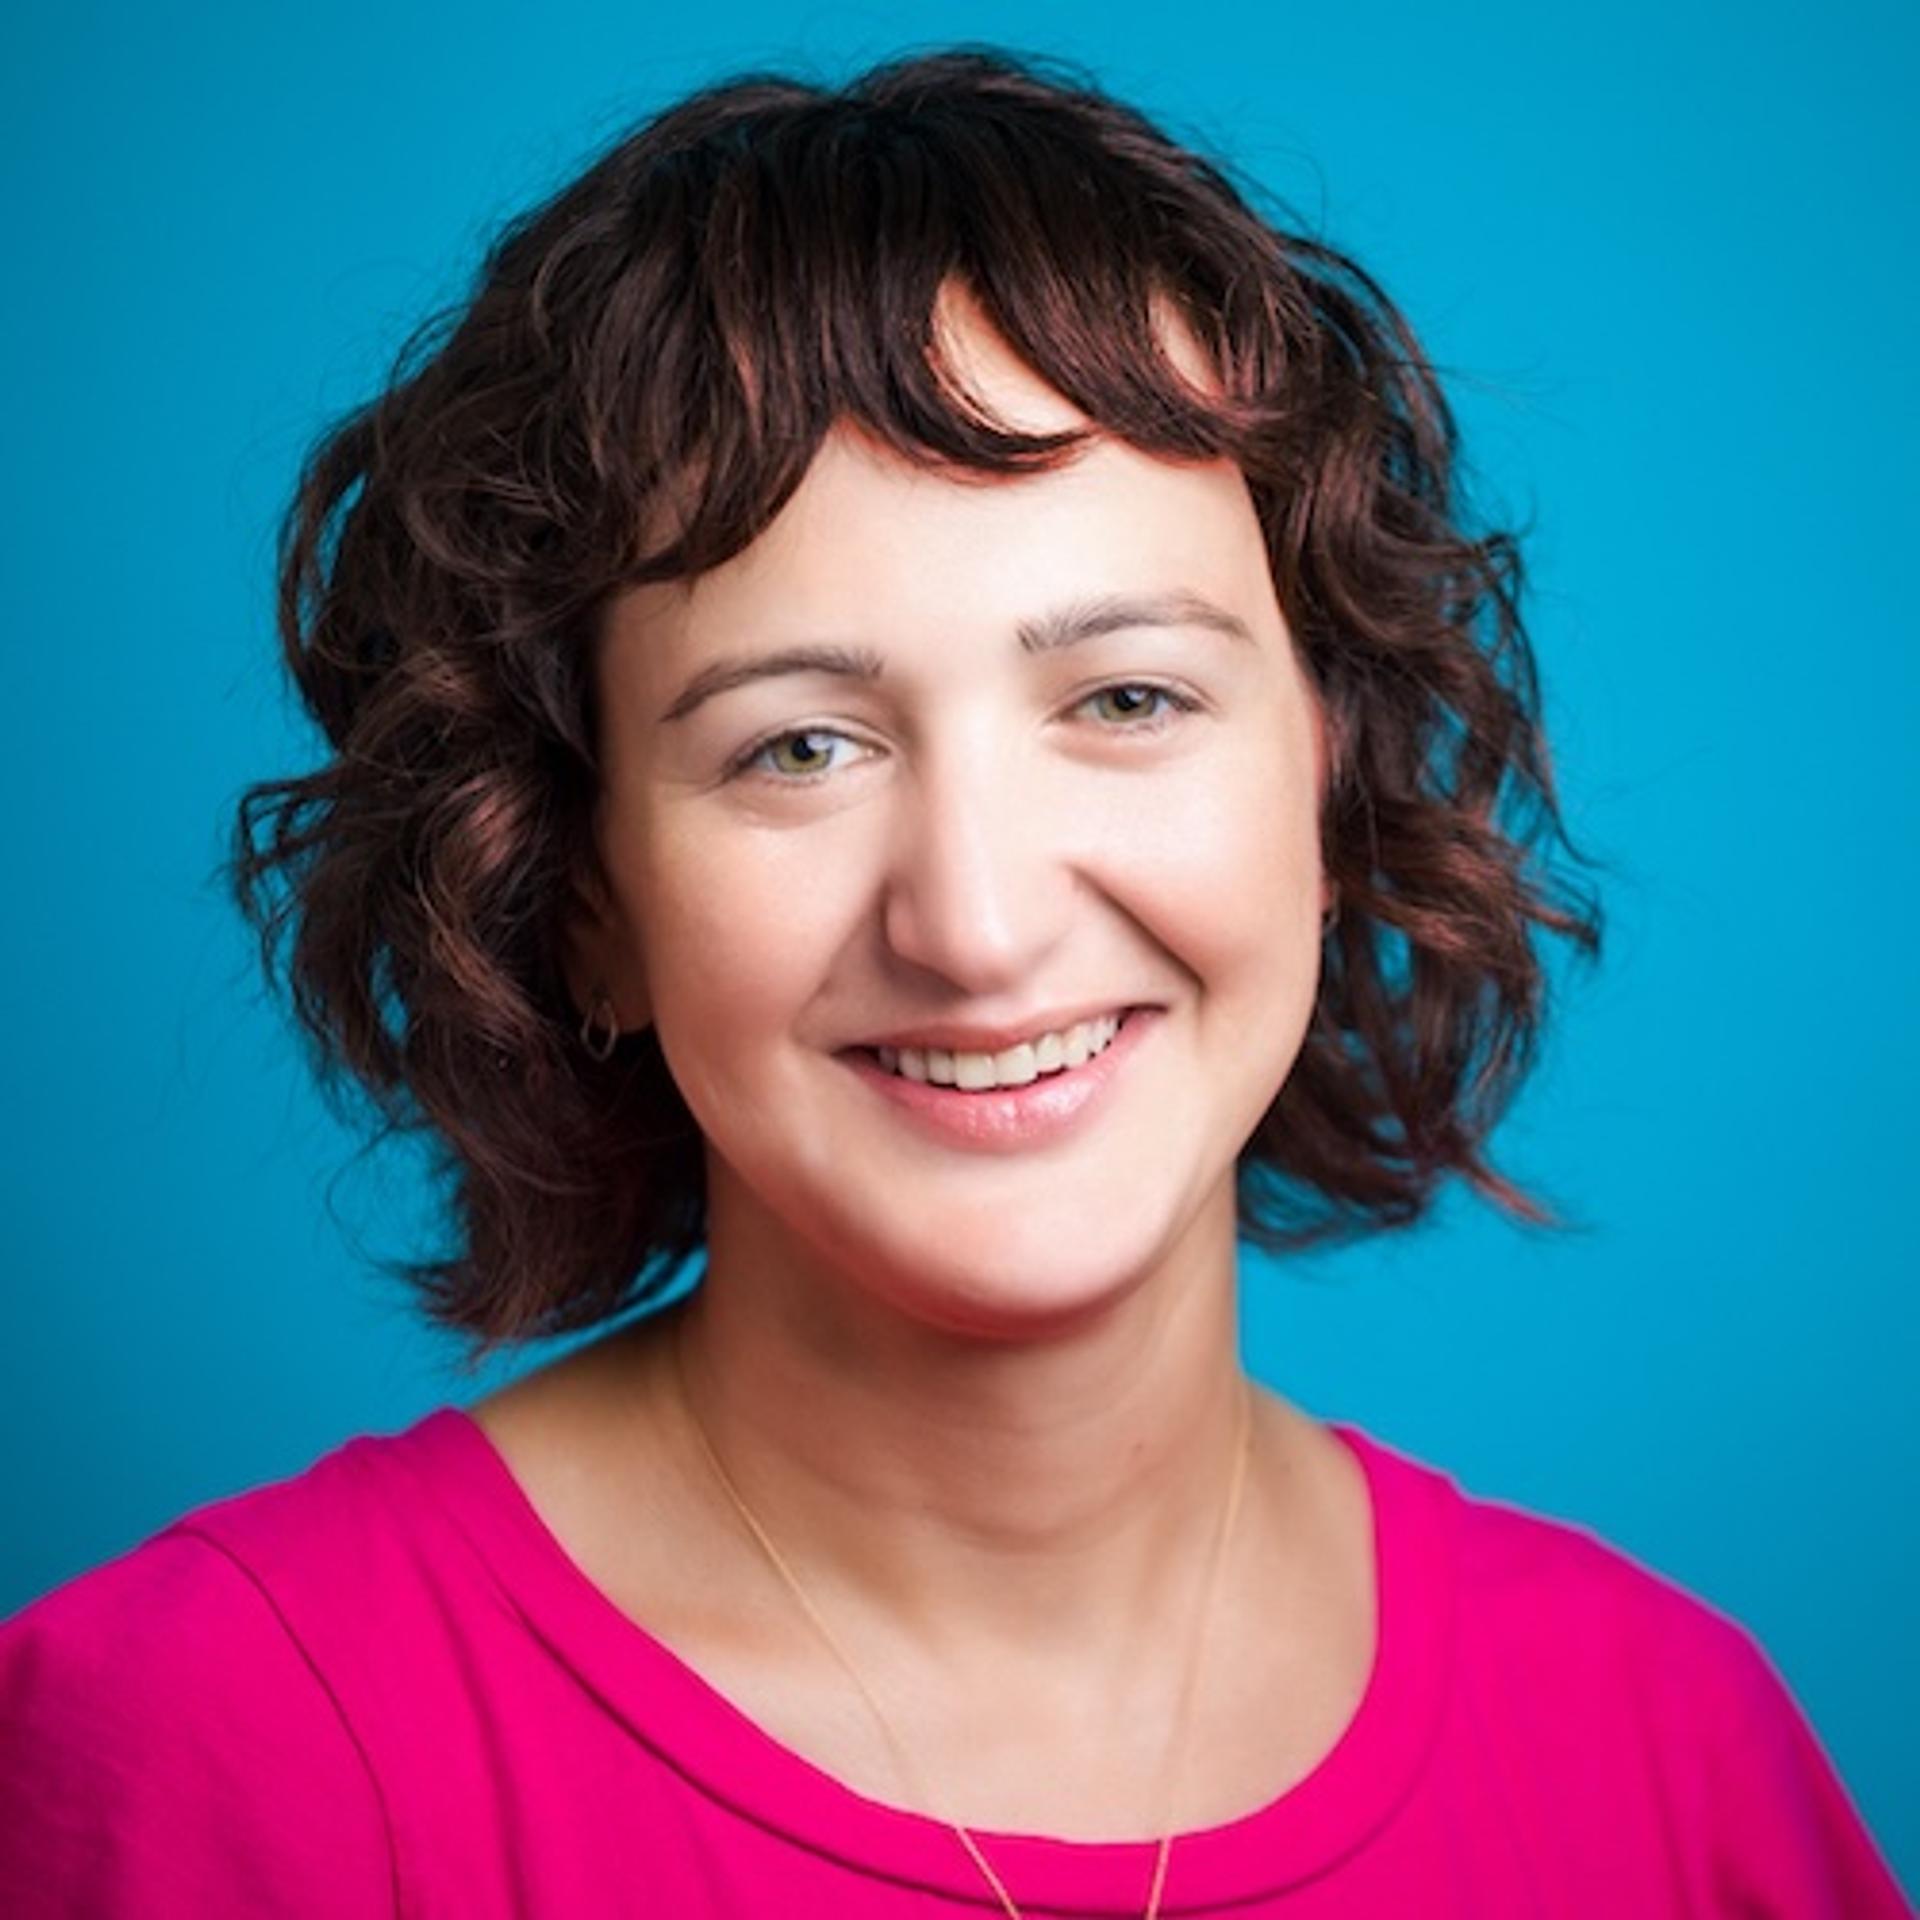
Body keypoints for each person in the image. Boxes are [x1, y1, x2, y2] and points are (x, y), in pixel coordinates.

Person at [0, 43, 1909, 1919]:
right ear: (579, 893)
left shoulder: (1666, 1752)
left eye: (1129, 699)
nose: (978, 925)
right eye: (797, 747)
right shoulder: (211, 1745)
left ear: (1330, 781)